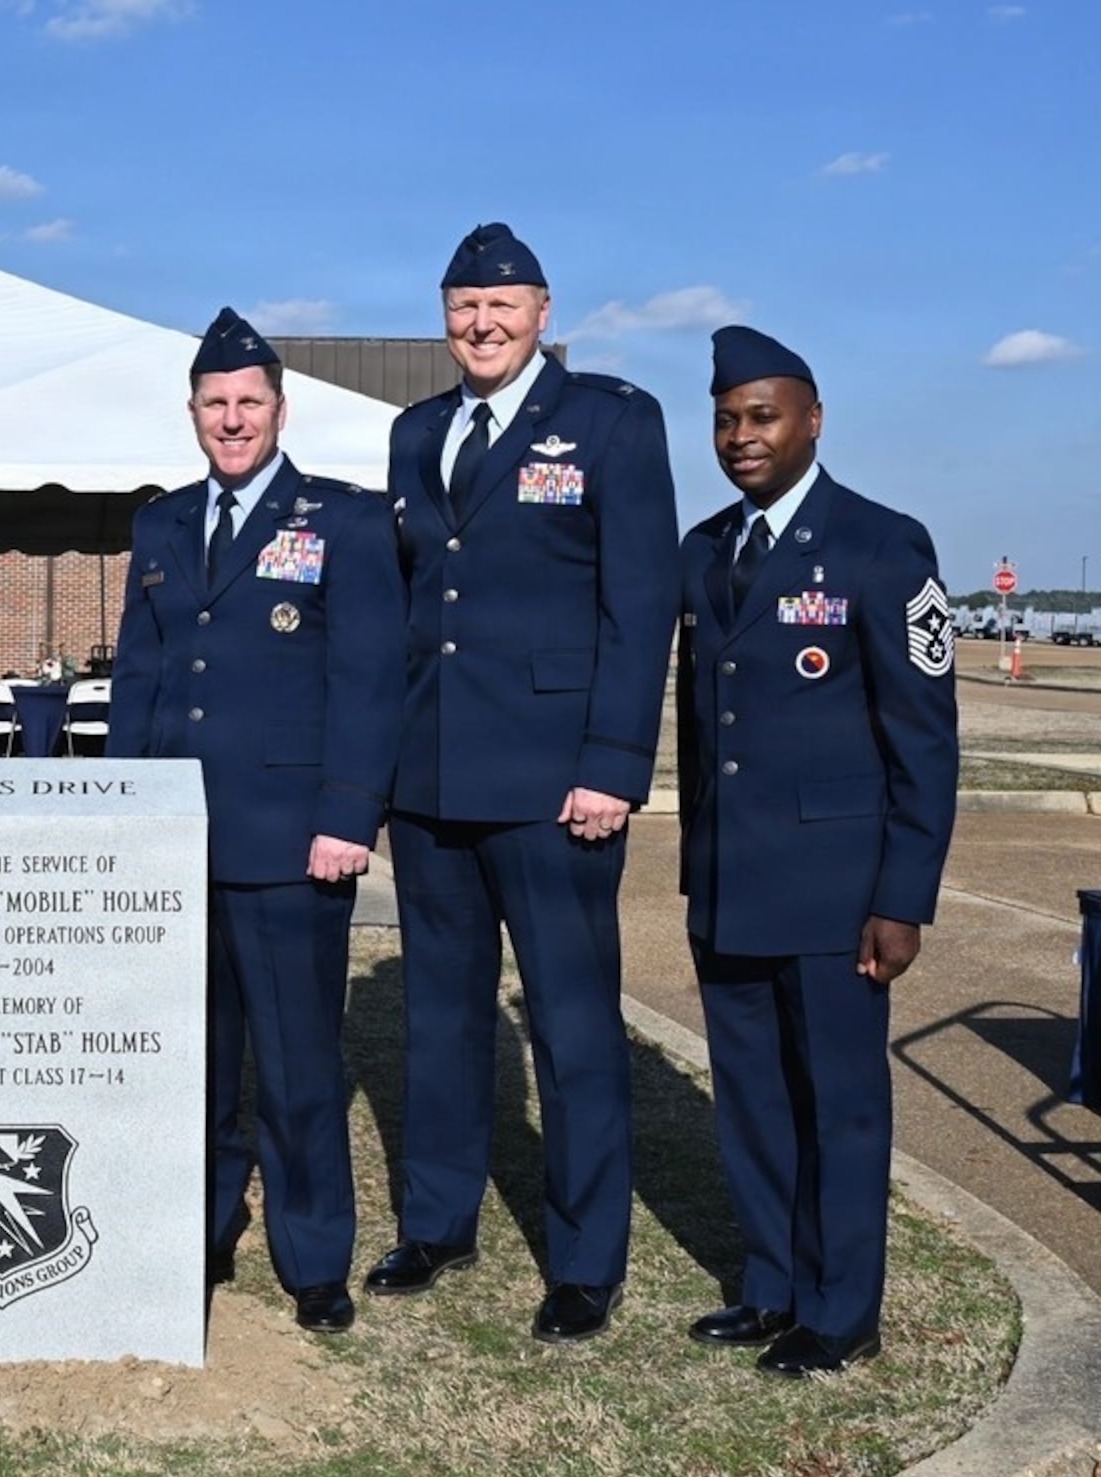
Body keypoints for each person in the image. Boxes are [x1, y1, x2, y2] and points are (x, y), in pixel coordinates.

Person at [370, 223, 679, 1341]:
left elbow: (639, 607)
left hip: (556, 787)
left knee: (570, 1022)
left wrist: (611, 767)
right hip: (430, 779)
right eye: (460, 307)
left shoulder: (608, 420)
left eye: (500, 305)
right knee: (439, 1018)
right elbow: (407, 613)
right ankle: (437, 1222)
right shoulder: (415, 434)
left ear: (542, 311)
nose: (479, 324)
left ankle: (585, 1259)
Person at [107, 307, 405, 1333]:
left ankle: (312, 1252)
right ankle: (195, 1229)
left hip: (289, 842)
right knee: (186, 1053)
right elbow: (141, 680)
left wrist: (346, 815)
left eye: (248, 402)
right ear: (190, 412)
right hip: (175, 839)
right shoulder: (158, 523)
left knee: (294, 1061)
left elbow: (368, 683)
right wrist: (122, 809)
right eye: (213, 404)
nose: (231, 420)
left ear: (280, 408)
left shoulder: (343, 521)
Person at [677, 325, 957, 1377]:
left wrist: (902, 895)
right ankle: (770, 1287)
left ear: (811, 421)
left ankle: (842, 1310)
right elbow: (710, 731)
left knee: (837, 1104)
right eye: (725, 419)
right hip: (729, 879)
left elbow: (922, 738)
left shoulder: (883, 545)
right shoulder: (702, 548)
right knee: (748, 1097)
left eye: (761, 416)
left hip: (838, 892)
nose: (740, 437)